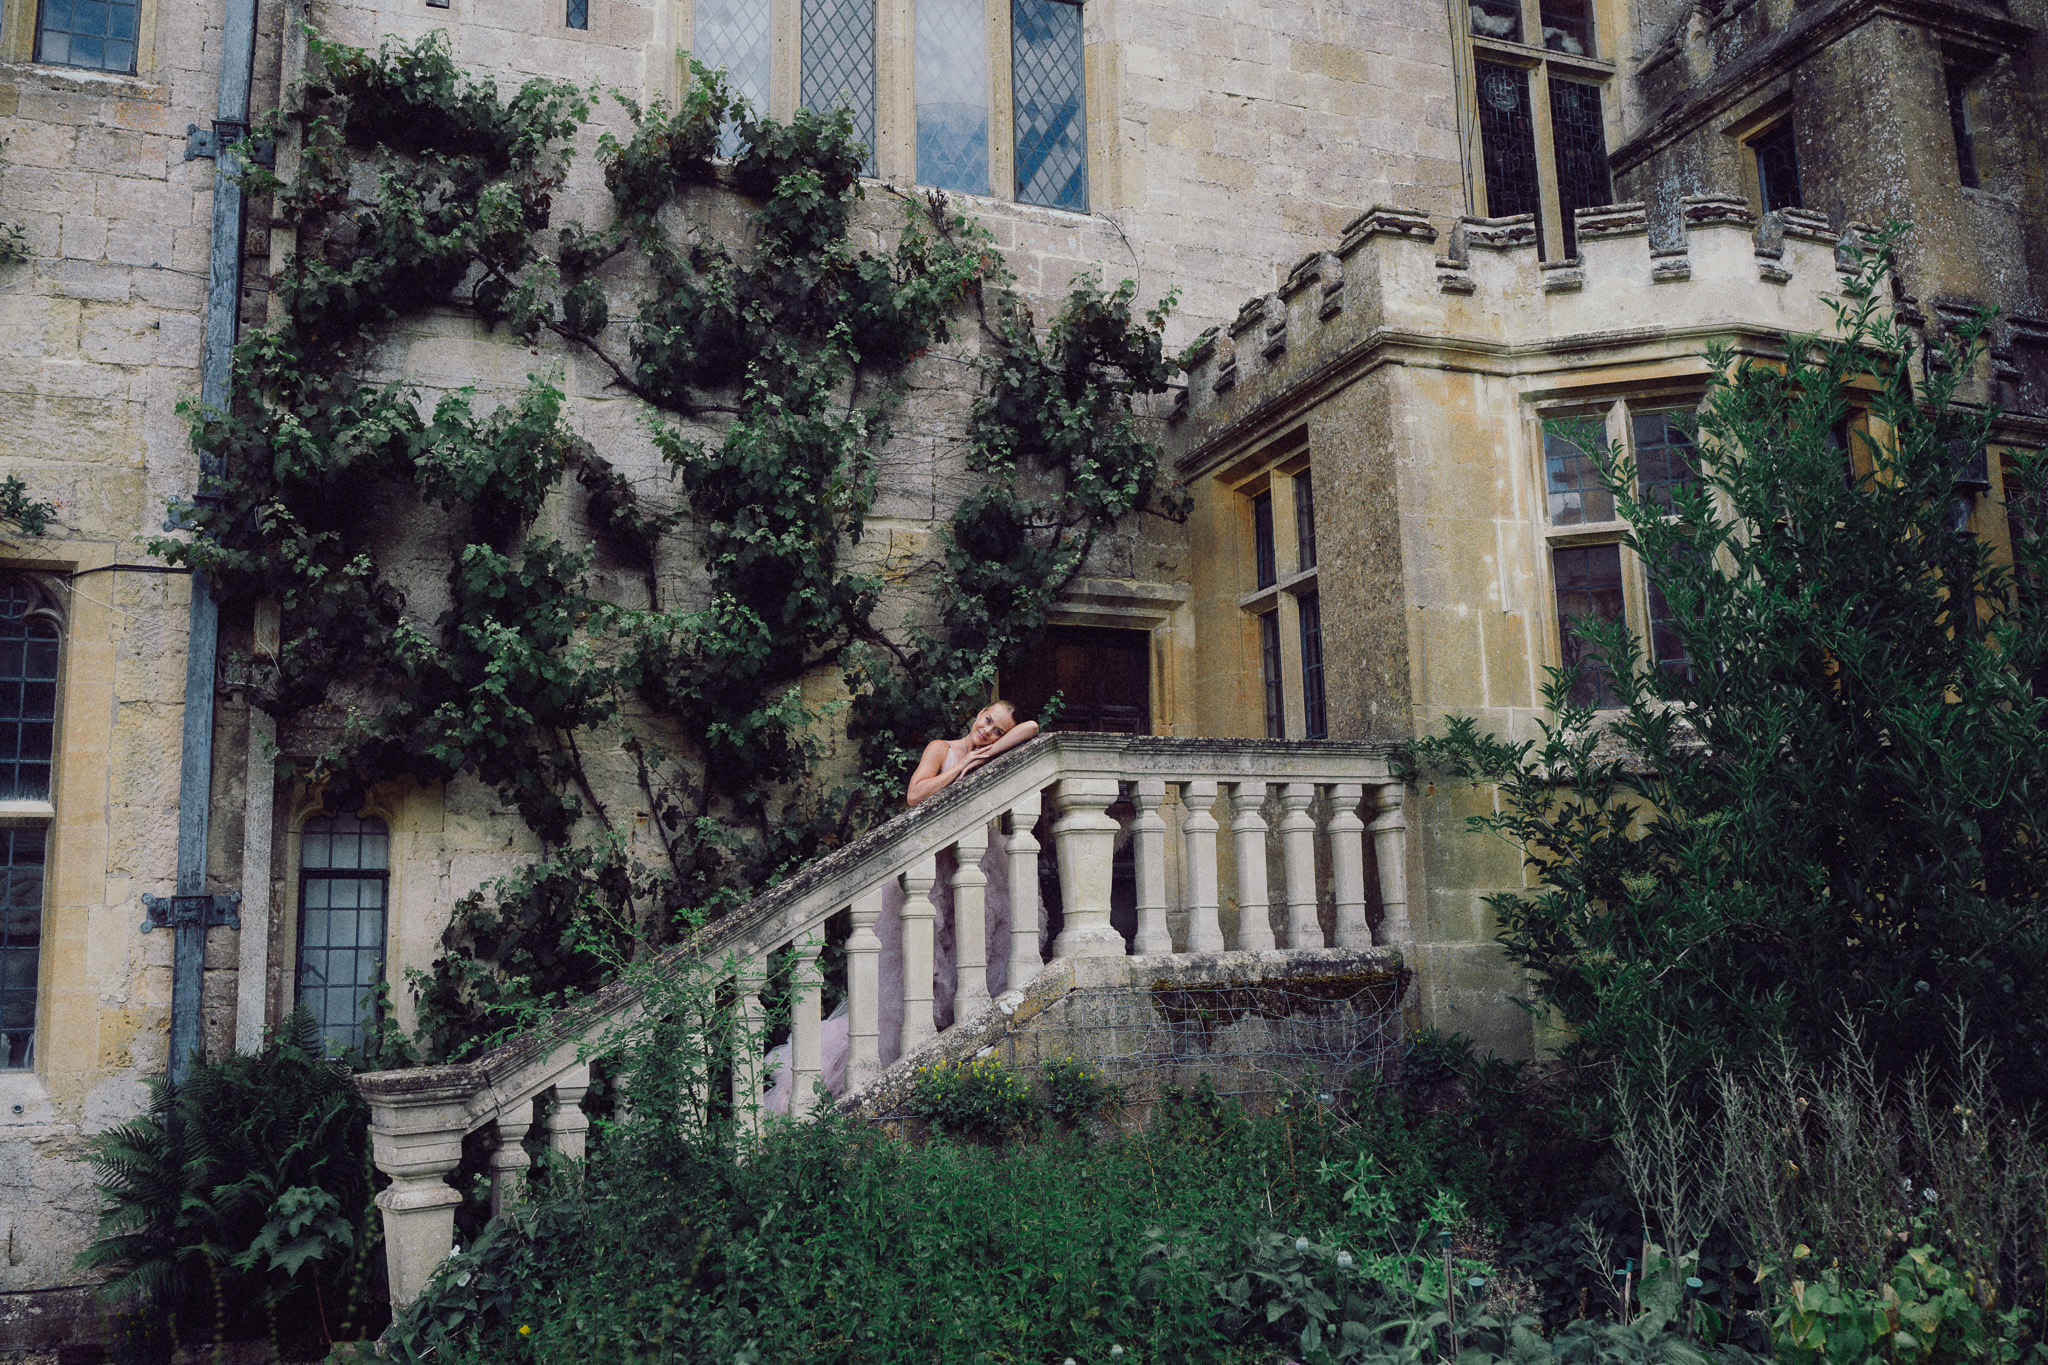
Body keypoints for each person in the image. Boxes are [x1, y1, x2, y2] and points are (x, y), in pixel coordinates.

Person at [905, 701, 1039, 806]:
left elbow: (1032, 727)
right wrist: (962, 764)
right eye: (988, 720)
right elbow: (913, 797)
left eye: (998, 732)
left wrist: (983, 756)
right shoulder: (941, 748)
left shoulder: (993, 757)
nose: (987, 731)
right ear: (981, 713)